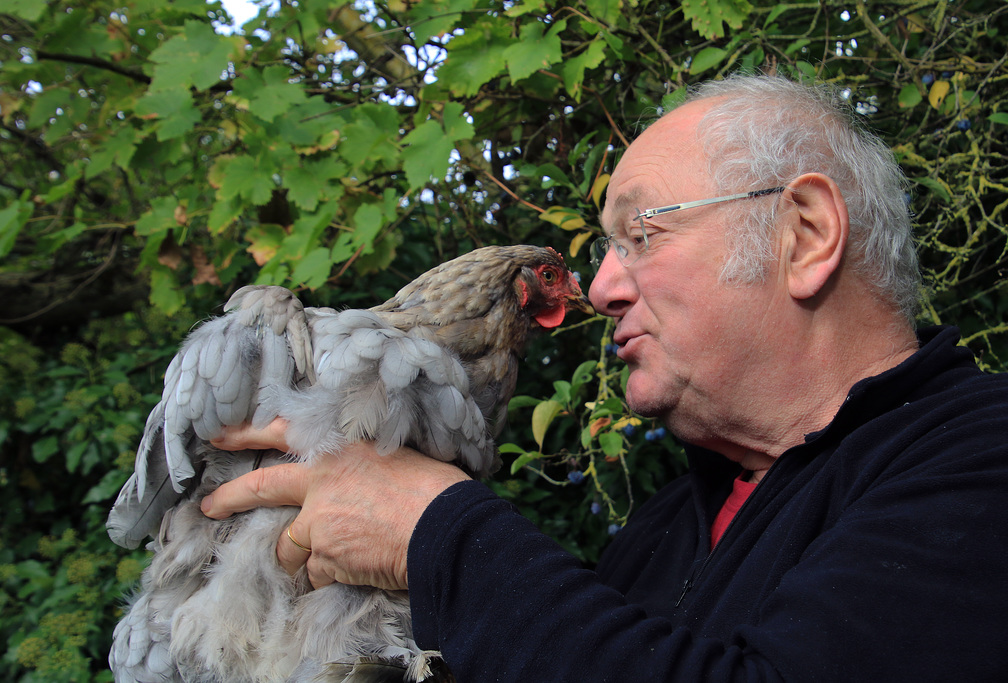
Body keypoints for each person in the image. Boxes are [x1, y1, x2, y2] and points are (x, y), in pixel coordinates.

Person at [201, 74, 1008, 680]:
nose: (601, 287)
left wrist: (437, 534)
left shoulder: (978, 457)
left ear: (805, 233)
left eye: (641, 233)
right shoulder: (662, 527)